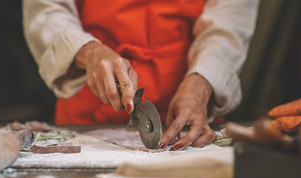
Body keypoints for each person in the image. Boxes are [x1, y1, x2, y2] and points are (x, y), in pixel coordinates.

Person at [23, 0, 259, 150]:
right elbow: (46, 8)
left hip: (189, 107)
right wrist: (88, 52)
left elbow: (231, 19)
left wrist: (203, 82)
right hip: (89, 95)